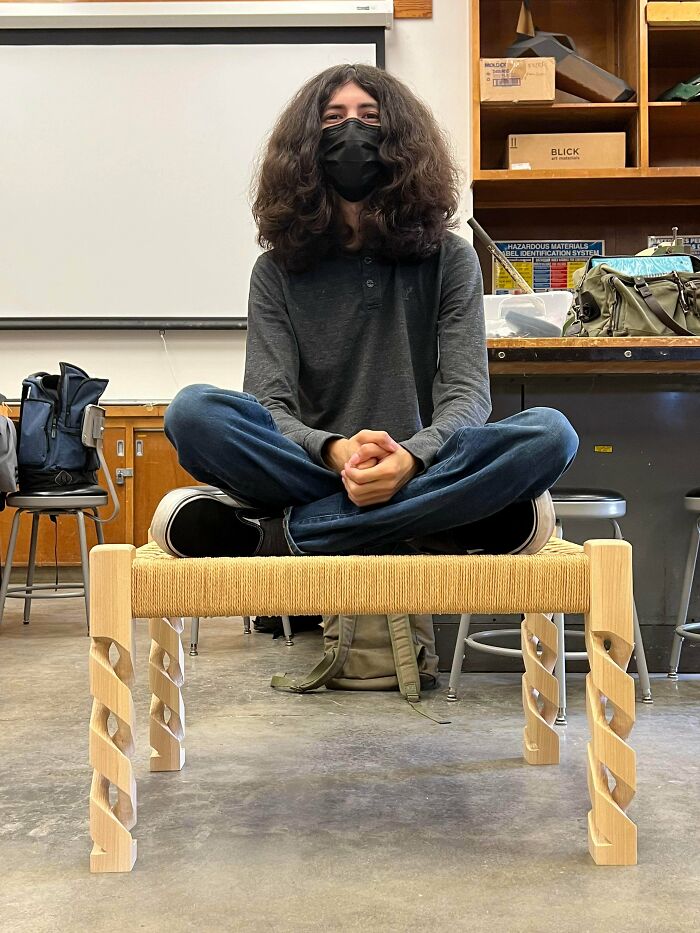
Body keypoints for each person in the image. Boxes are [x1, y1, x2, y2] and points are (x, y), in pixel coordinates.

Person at [151, 63, 578, 560]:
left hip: (423, 464)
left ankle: (279, 537)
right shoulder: (275, 271)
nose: (352, 131)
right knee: (193, 413)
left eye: (369, 116)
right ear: (307, 145)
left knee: (550, 434)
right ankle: (431, 522)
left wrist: (410, 460)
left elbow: (467, 395)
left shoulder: (452, 258)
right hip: (314, 466)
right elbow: (270, 405)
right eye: (333, 118)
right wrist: (337, 453)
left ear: (400, 139)